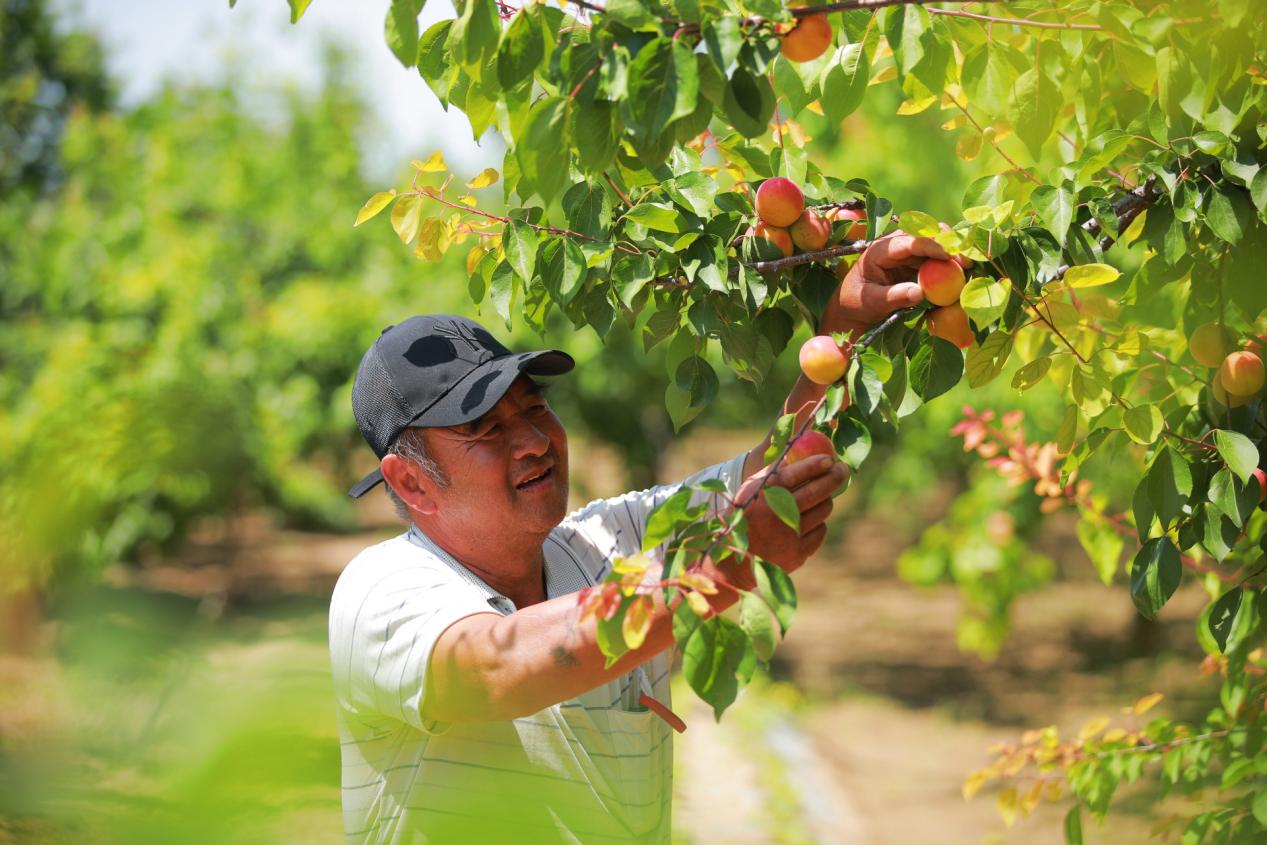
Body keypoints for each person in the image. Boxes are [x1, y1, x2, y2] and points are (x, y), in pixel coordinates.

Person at [328, 233, 954, 844]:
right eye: (487, 430)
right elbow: (489, 665)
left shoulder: (610, 540)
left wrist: (841, 330)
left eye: (535, 408)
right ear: (412, 483)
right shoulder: (380, 589)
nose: (535, 441)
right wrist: (721, 567)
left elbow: (776, 471)